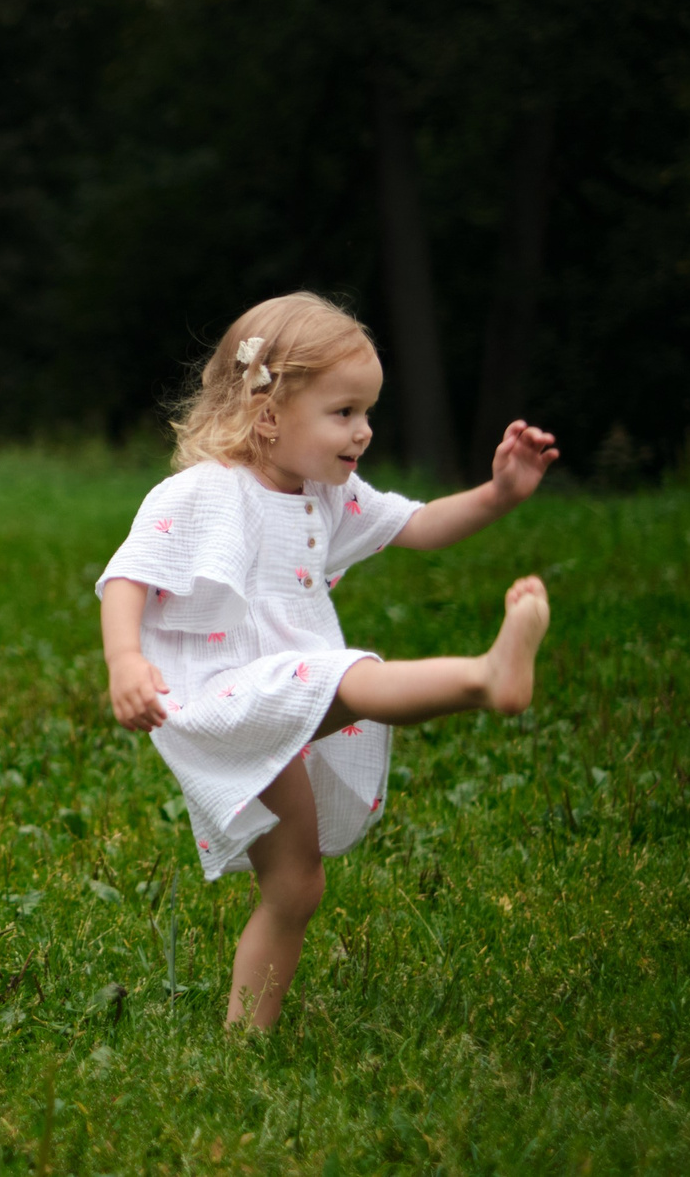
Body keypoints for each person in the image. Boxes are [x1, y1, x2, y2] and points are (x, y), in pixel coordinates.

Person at [95, 291, 558, 1029]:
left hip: (282, 689)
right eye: (344, 412)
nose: (364, 432)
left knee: (295, 884)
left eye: (368, 412)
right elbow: (129, 573)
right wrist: (125, 660)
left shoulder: (324, 496)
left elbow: (421, 523)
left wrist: (500, 493)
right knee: (353, 674)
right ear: (269, 413)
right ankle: (484, 676)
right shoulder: (206, 491)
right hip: (219, 692)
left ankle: (245, 1040)